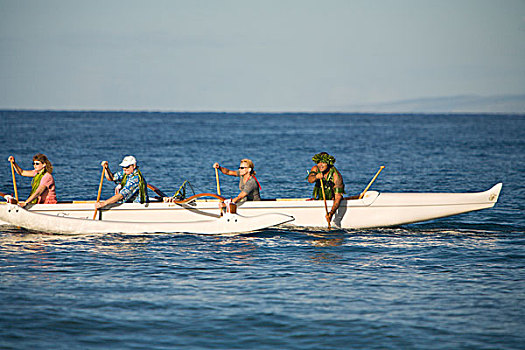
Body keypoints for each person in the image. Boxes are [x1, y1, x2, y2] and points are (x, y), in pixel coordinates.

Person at [307, 152, 345, 222]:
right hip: (320, 199)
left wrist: (331, 213)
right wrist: (316, 177)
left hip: (333, 201)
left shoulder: (336, 176)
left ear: (328, 163)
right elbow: (310, 180)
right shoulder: (315, 168)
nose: (320, 165)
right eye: (319, 162)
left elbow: (338, 197)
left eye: (323, 163)